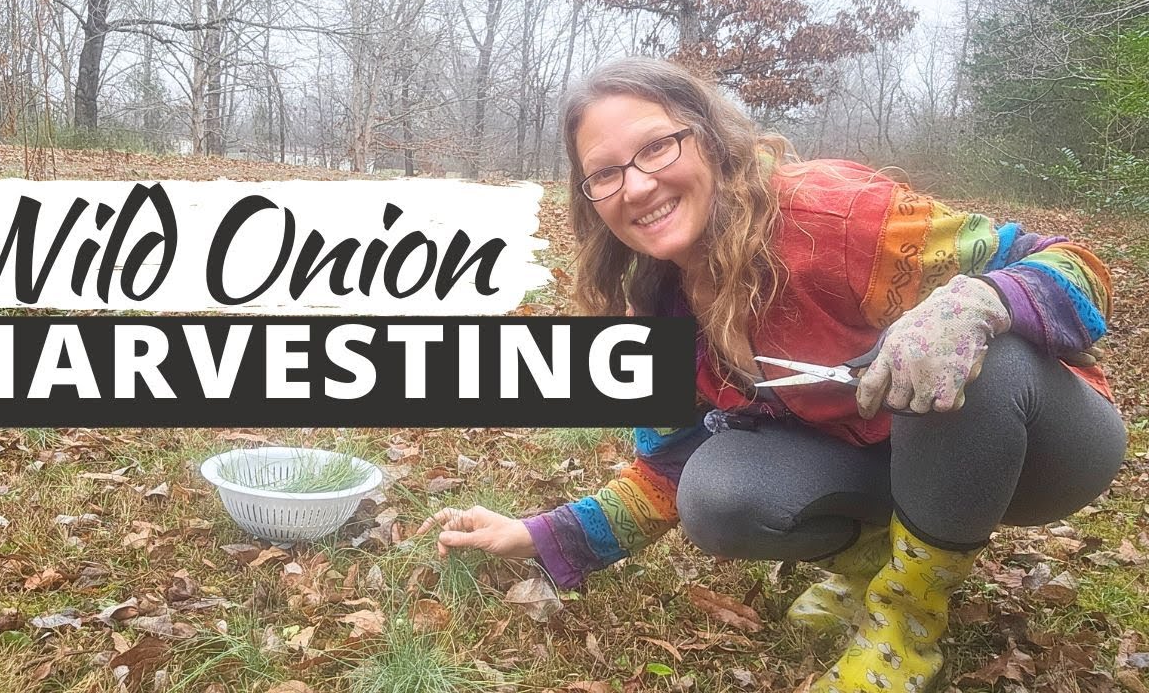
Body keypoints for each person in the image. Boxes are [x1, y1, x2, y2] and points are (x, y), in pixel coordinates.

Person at [415, 57, 1127, 693]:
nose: (637, 185)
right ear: (591, 200)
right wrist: (535, 536)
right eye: (605, 173)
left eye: (657, 147)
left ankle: (906, 621)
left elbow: (1079, 267)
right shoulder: (660, 310)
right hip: (891, 464)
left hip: (1044, 450)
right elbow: (665, 469)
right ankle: (879, 564)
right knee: (718, 490)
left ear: (711, 139)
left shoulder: (838, 219)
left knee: (970, 350)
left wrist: (983, 301)